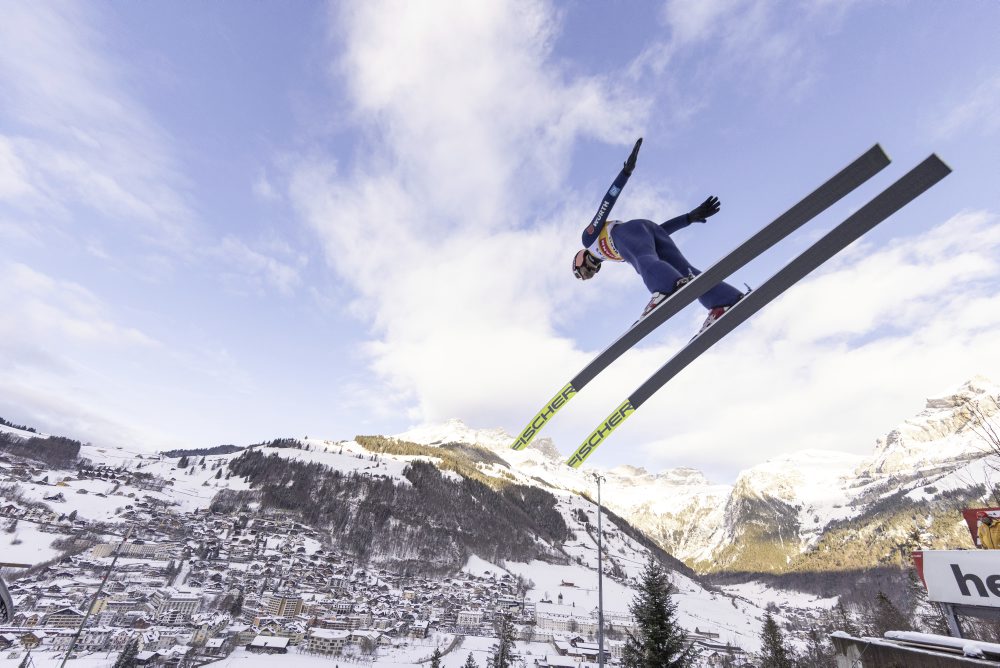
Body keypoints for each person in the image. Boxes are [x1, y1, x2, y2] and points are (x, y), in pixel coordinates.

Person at [572, 138, 747, 334]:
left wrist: (625, 174)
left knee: (642, 261)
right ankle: (724, 301)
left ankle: (664, 287)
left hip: (627, 230)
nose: (588, 272)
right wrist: (688, 218)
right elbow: (653, 237)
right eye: (586, 276)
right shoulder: (616, 256)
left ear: (580, 257)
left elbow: (606, 204)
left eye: (581, 270)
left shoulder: (589, 240)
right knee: (686, 271)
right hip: (649, 230)